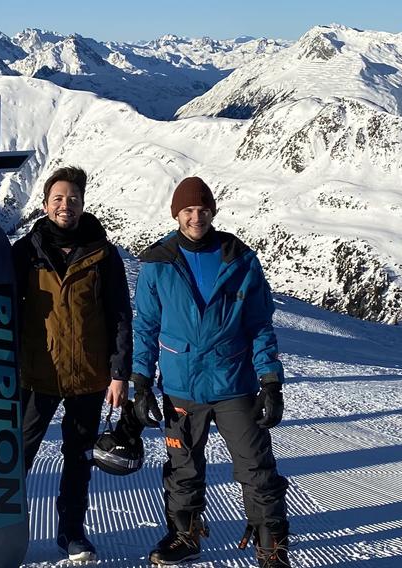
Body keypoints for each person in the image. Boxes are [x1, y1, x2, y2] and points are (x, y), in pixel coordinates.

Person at [0, 166, 133, 563]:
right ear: (45, 204)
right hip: (35, 373)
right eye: (58, 198)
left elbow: (120, 315)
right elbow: (0, 296)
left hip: (88, 376)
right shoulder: (25, 251)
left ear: (82, 204)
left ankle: (71, 533)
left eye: (73, 199)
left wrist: (119, 373)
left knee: (78, 459)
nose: (66, 205)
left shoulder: (103, 254)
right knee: (16, 457)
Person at [130, 176, 290, 567]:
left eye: (202, 210)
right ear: (176, 214)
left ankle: (270, 548)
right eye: (188, 211)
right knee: (182, 467)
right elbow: (146, 327)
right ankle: (185, 536)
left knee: (256, 468)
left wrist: (270, 381)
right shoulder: (158, 263)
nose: (196, 217)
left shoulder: (240, 259)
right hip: (182, 385)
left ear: (213, 212)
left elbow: (259, 325)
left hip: (234, 382)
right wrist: (140, 381)